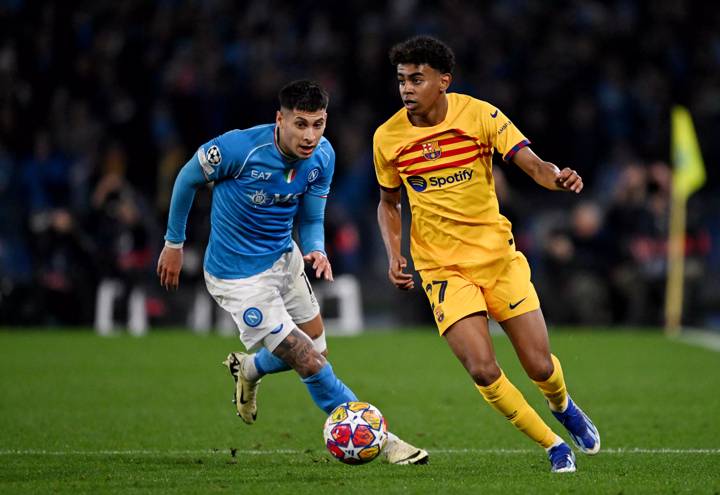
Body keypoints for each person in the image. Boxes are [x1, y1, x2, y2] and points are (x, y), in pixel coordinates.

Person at [157, 79, 428, 465]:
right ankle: (383, 440)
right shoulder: (238, 148)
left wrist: (316, 249)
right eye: (300, 124)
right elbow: (187, 177)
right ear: (279, 119)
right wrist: (173, 243)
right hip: (239, 279)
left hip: (285, 259)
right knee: (309, 360)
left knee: (316, 348)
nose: (310, 135)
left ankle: (248, 368)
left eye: (318, 124)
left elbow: (313, 215)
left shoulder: (323, 156)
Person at [373, 36, 599, 473]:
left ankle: (563, 405)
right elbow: (388, 202)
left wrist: (557, 178)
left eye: (416, 79)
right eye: (401, 80)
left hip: (497, 259)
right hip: (441, 268)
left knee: (538, 365)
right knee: (481, 368)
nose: (406, 88)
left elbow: (532, 164)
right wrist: (393, 253)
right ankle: (553, 444)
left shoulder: (479, 114)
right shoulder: (387, 137)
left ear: (443, 82)